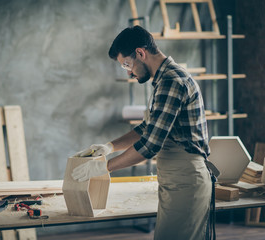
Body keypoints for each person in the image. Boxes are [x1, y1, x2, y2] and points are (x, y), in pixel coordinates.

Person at [72, 25, 217, 240]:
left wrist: (104, 168)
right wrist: (109, 147)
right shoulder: (162, 80)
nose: (129, 72)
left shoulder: (171, 81)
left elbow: (150, 145)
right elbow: (148, 128)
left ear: (141, 53)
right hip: (176, 179)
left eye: (127, 65)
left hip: (187, 180)